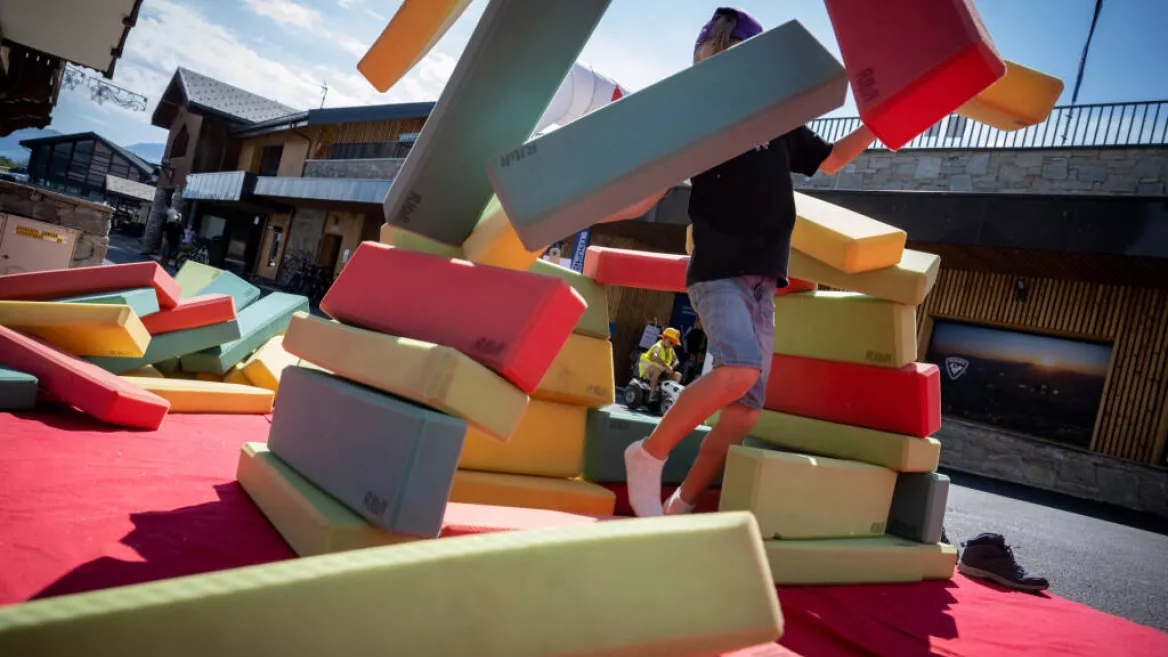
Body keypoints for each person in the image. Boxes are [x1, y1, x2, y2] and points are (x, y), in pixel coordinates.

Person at [622, 7, 878, 517]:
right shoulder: (703, 119)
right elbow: (648, 178)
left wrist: (878, 123)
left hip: (764, 279)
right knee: (737, 369)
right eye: (713, 60)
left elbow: (831, 160)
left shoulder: (779, 122)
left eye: (734, 58)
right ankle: (647, 454)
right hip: (719, 269)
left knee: (743, 412)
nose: (724, 70)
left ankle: (683, 504)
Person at [638, 327, 683, 398]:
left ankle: (669, 395)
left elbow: (677, 360)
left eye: (674, 344)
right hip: (647, 370)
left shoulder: (670, 349)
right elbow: (654, 356)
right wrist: (666, 366)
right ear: (664, 338)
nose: (672, 345)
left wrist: (671, 367)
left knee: (678, 375)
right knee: (656, 371)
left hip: (662, 371)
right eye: (671, 342)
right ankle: (652, 394)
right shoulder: (658, 346)